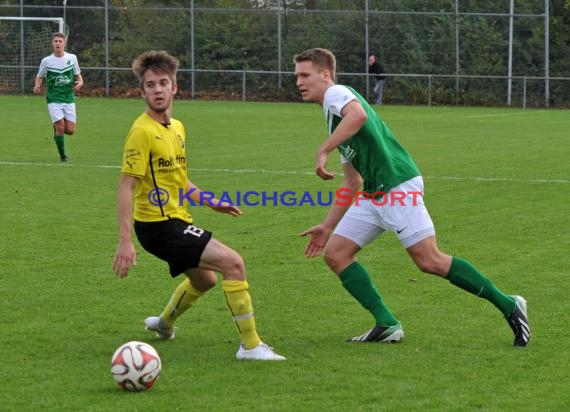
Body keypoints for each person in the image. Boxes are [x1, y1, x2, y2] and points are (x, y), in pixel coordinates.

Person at [293, 48, 531, 347]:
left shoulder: (337, 94)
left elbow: (359, 114)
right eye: (297, 76)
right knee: (336, 253)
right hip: (375, 193)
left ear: (325, 75)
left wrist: (323, 149)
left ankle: (510, 305)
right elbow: (353, 180)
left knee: (429, 260)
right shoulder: (332, 117)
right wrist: (327, 227)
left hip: (397, 185)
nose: (299, 82)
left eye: (305, 75)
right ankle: (387, 324)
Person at [112, 50, 285, 361]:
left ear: (174, 87)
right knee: (234, 263)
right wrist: (125, 241)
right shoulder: (141, 131)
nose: (157, 90)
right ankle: (251, 346)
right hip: (158, 226)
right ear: (142, 92)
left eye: (163, 83)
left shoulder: (177, 127)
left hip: (175, 219)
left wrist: (211, 201)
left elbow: (179, 180)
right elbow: (127, 186)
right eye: (150, 85)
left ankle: (164, 324)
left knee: (205, 279)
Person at [33, 32, 83, 162]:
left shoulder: (72, 58)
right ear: (52, 43)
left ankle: (57, 130)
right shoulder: (46, 61)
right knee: (61, 127)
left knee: (71, 130)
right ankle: (63, 156)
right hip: (53, 98)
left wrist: (81, 82)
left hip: (68, 97)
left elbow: (77, 74)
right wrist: (37, 86)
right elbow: (39, 76)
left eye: (60, 41)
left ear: (64, 43)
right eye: (56, 41)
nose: (58, 43)